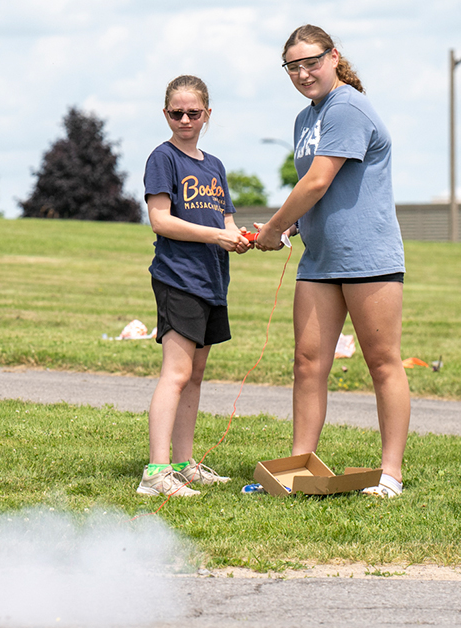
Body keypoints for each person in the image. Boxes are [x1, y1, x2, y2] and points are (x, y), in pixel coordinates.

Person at [254, 25, 410, 498]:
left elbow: (318, 181)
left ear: (334, 56)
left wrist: (273, 228)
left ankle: (390, 476)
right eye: (293, 67)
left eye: (311, 62)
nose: (303, 73)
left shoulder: (346, 107)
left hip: (368, 258)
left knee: (381, 362)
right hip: (320, 260)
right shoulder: (306, 118)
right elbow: (322, 192)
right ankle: (300, 469)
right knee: (307, 362)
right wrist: (297, 224)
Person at [138, 75, 251, 497]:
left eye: (193, 112)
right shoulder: (162, 158)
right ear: (165, 113)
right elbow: (160, 220)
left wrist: (239, 238)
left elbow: (224, 221)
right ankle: (155, 471)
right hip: (178, 278)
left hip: (212, 280)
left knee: (196, 375)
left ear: (207, 114)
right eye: (176, 113)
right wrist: (215, 237)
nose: (185, 119)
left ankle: (184, 465)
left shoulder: (214, 166)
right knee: (177, 372)